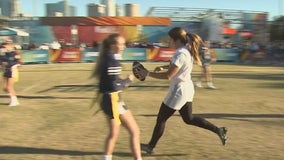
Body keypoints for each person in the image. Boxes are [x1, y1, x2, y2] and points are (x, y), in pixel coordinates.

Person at [140, 27, 227, 154]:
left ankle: (150, 147)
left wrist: (147, 73)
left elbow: (168, 76)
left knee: (161, 119)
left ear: (176, 40)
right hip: (187, 88)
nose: (168, 42)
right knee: (189, 119)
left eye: (170, 39)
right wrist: (163, 66)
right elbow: (177, 66)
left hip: (178, 91)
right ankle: (219, 130)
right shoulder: (186, 50)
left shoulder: (180, 53)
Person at [91, 34, 142, 160]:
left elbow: (110, 81)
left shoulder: (107, 58)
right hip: (113, 100)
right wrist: (128, 81)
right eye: (121, 44)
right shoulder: (112, 61)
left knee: (114, 133)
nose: (123, 46)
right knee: (134, 132)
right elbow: (113, 85)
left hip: (107, 99)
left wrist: (123, 81)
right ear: (112, 45)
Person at [0, 41, 21, 107]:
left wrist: (17, 65)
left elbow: (17, 61)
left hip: (12, 69)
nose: (3, 48)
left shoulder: (13, 53)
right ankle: (13, 97)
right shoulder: (2, 53)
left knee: (9, 87)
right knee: (4, 88)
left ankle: (14, 101)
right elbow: (1, 60)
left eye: (5, 46)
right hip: (6, 70)